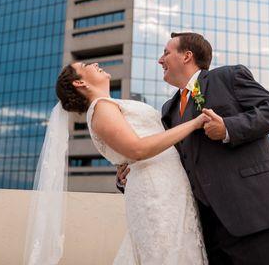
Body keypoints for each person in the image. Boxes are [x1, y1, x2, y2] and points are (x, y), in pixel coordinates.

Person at [117, 32, 269, 264]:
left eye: (166, 52)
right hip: (207, 228)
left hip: (256, 212)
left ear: (187, 56)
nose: (160, 60)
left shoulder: (228, 77)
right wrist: (133, 175)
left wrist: (228, 127)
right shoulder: (168, 110)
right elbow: (170, 160)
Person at [54, 61, 210, 264]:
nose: (96, 63)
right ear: (79, 82)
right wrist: (195, 123)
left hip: (169, 186)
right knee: (166, 251)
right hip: (155, 190)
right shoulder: (101, 108)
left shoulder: (109, 105)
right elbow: (137, 149)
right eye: (86, 65)